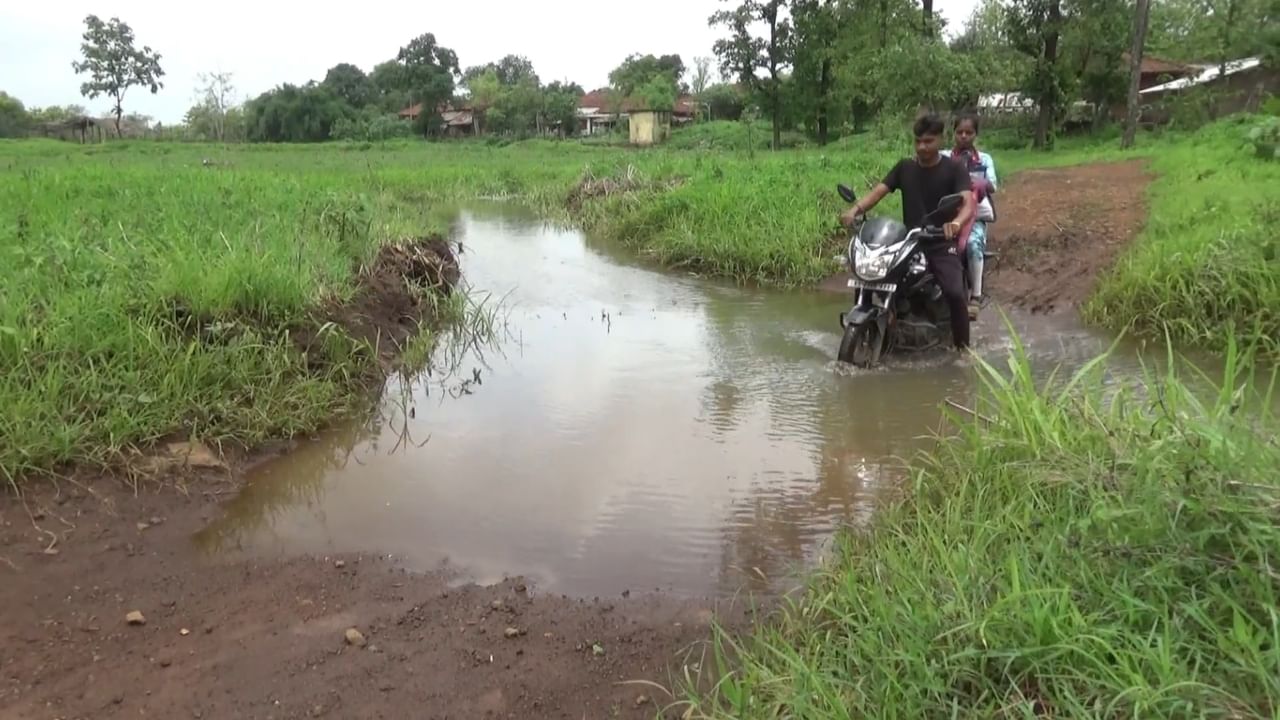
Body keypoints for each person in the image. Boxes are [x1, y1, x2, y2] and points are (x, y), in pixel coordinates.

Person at [841, 113, 975, 351]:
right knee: (874, 277)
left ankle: (964, 349)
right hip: (909, 241)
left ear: (940, 140)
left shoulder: (954, 169)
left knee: (954, 293)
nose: (922, 147)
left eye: (928, 141)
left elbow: (968, 203)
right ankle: (886, 322)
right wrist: (855, 209)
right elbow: (879, 191)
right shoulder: (905, 167)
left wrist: (955, 224)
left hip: (940, 241)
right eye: (918, 141)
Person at [941, 112, 998, 320]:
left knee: (974, 245)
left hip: (976, 216)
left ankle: (976, 296)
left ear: (976, 134)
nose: (964, 136)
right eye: (959, 132)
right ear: (953, 133)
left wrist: (979, 183)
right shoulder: (945, 157)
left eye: (969, 132)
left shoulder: (984, 159)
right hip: (948, 215)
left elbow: (993, 185)